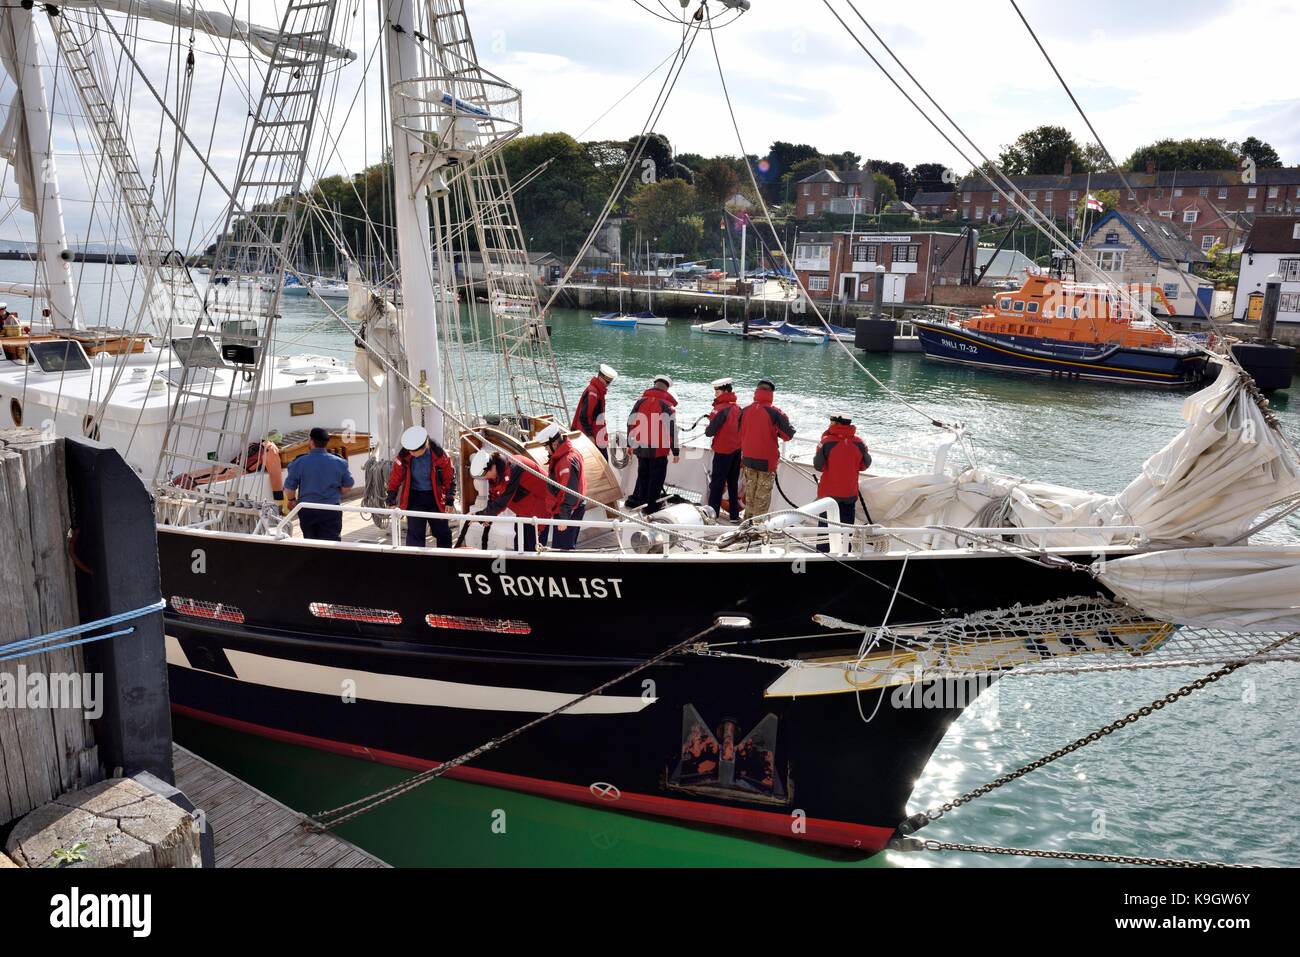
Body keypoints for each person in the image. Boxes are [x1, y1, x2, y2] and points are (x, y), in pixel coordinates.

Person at [386, 425, 456, 548]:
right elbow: (395, 478)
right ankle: (415, 563)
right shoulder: (404, 456)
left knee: (442, 532)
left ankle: (446, 561)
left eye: (413, 451)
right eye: (409, 450)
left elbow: (449, 478)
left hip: (435, 498)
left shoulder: (440, 456)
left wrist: (449, 500)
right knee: (415, 534)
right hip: (414, 498)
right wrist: (391, 498)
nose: (411, 453)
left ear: (425, 446)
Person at [470, 447, 552, 552]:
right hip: (523, 511)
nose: (485, 478)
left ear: (492, 467)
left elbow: (502, 502)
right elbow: (494, 496)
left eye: (484, 474)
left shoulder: (515, 468)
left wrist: (482, 515)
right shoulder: (496, 474)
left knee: (534, 549)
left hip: (539, 511)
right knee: (520, 547)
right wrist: (489, 517)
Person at [738, 378, 796, 521]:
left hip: (748, 458)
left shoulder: (745, 410)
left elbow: (740, 431)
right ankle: (757, 529)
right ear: (771, 393)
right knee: (762, 498)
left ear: (756, 391)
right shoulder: (775, 413)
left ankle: (747, 523)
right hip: (766, 460)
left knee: (750, 495)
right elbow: (788, 435)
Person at [813, 413, 871, 553]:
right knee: (846, 530)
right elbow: (866, 464)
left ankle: (823, 557)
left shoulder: (826, 442)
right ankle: (844, 555)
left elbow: (818, 466)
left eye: (831, 421)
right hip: (849, 495)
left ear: (837, 423)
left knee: (825, 532)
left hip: (829, 496)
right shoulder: (859, 442)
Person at [284, 427, 354, 541]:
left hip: (307, 510)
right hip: (331, 510)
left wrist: (291, 500)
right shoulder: (340, 462)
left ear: (311, 441)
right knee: (332, 544)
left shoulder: (299, 462)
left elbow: (289, 488)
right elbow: (348, 485)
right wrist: (337, 493)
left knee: (310, 542)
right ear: (326, 443)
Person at [625, 374, 678, 513]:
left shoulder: (640, 401)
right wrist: (676, 451)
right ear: (666, 389)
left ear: (654, 385)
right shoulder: (667, 406)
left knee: (643, 476)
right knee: (656, 479)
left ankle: (642, 504)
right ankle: (651, 509)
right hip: (658, 450)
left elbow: (630, 423)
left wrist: (629, 444)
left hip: (640, 446)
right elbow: (672, 431)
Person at [539, 423, 585, 550]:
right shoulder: (570, 454)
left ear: (554, 444)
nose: (545, 450)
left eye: (546, 447)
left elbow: (570, 491)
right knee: (563, 548)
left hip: (567, 511)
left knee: (562, 550)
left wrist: (564, 518)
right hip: (570, 509)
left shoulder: (566, 462)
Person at [704, 377, 742, 522]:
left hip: (722, 452)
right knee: (733, 483)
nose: (715, 394)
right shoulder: (738, 408)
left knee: (717, 484)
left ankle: (712, 515)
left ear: (725, 391)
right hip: (736, 451)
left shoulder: (719, 409)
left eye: (717, 391)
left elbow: (709, 432)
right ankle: (734, 515)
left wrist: (709, 425)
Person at [571, 364, 617, 458]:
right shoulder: (593, 393)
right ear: (600, 377)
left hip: (597, 434)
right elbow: (583, 416)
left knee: (603, 460)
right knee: (603, 461)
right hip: (593, 436)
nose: (608, 385)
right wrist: (590, 436)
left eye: (610, 383)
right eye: (607, 382)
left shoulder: (597, 391)